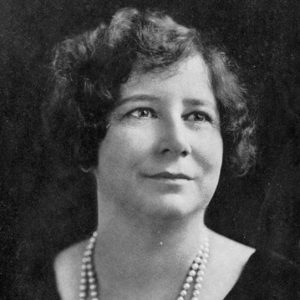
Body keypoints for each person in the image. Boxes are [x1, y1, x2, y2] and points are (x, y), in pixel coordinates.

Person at [43, 7, 299, 300]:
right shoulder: (24, 280)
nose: (177, 142)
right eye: (143, 111)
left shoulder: (285, 289)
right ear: (87, 133)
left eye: (198, 116)